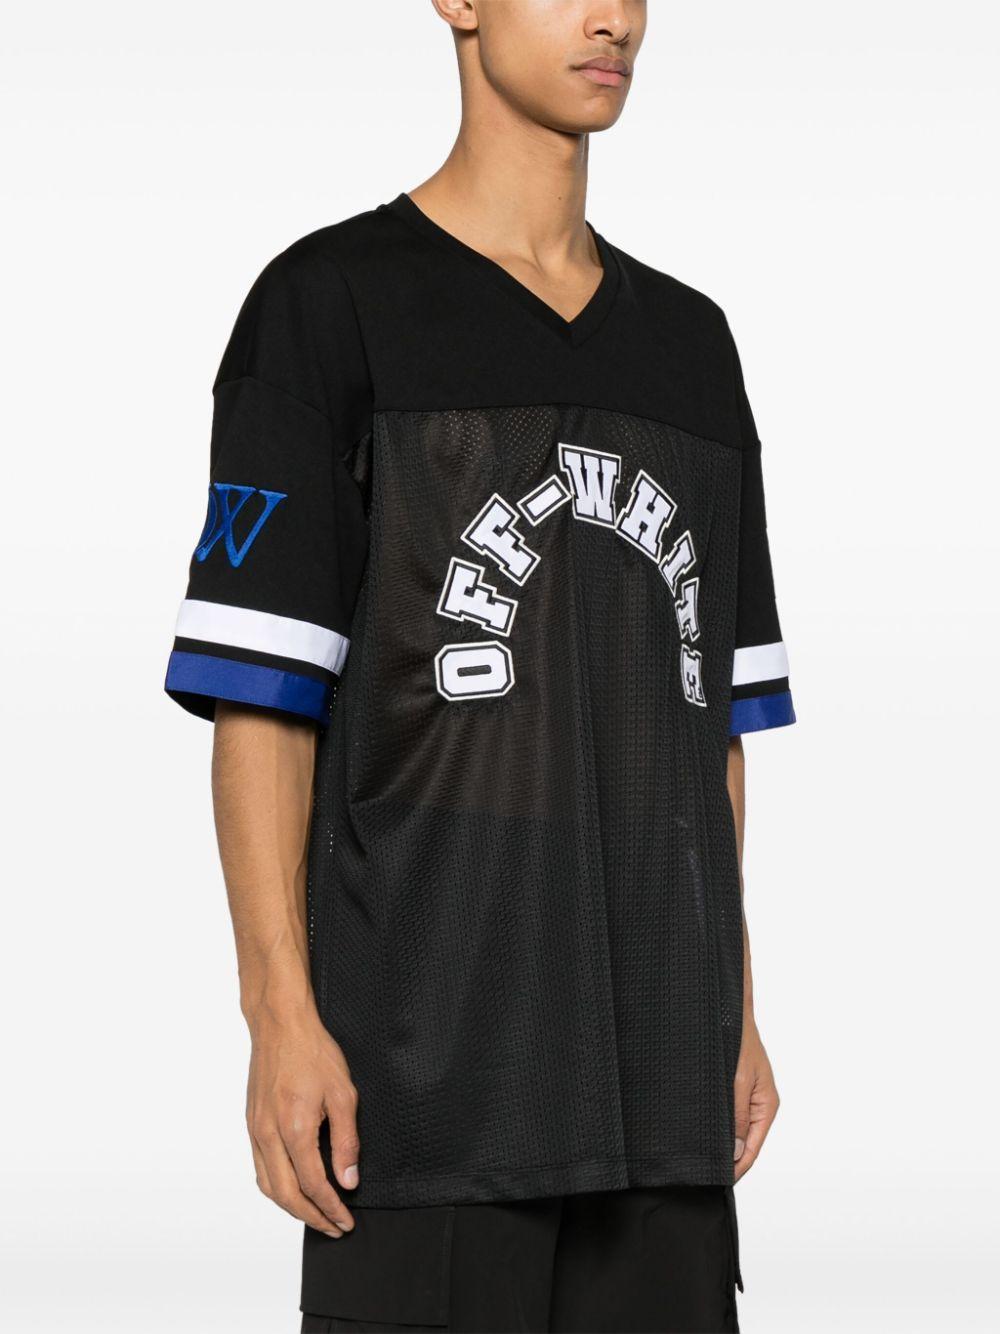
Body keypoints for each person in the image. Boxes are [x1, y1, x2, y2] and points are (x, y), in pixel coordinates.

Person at [165, 2, 795, 1329]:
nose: (613, 18)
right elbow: (263, 703)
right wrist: (279, 1016)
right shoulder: (328, 307)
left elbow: (713, 730)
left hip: (661, 1104)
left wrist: (734, 1007)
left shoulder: (694, 349)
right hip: (419, 1090)